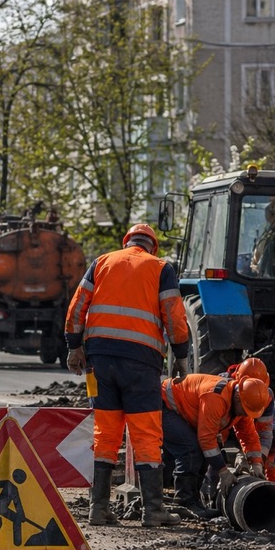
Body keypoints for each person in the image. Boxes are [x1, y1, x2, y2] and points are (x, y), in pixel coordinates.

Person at [65, 223, 191, 527]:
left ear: (127, 242)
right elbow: (174, 315)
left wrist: (74, 347)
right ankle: (153, 510)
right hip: (142, 363)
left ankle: (99, 508)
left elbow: (77, 306)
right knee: (146, 433)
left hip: (99, 363)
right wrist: (182, 356)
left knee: (104, 433)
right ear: (152, 246)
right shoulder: (161, 268)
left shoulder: (102, 262)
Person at [159, 373, 271, 519]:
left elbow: (249, 436)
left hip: (182, 410)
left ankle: (187, 500)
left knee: (197, 454)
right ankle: (184, 502)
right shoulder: (215, 396)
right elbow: (206, 439)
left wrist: (256, 464)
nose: (245, 414)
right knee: (190, 451)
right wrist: (223, 472)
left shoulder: (241, 404)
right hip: (165, 404)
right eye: (245, 410)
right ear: (238, 397)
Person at [224, 357, 275, 484]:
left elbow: (265, 434)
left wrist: (257, 462)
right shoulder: (223, 388)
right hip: (228, 428)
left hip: (251, 432)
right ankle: (209, 487)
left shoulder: (267, 396)